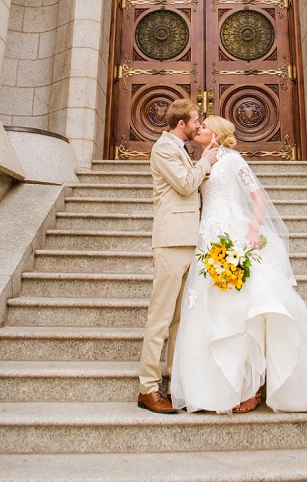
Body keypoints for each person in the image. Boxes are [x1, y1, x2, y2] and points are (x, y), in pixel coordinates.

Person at [170, 115, 307, 414]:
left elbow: (258, 199)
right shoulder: (204, 161)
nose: (198, 128)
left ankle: (250, 389)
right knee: (212, 310)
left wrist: (253, 230)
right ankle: (216, 389)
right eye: (198, 125)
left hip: (233, 235)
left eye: (204, 126)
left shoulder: (232, 160)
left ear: (216, 133)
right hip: (208, 239)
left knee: (241, 312)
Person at [137, 98, 219, 413]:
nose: (199, 125)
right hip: (171, 241)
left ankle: (174, 385)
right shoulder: (163, 149)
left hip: (190, 241)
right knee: (159, 318)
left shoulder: (182, 149)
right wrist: (206, 161)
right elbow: (185, 185)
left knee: (178, 320)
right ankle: (147, 388)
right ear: (181, 123)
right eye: (196, 120)